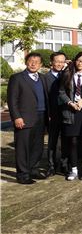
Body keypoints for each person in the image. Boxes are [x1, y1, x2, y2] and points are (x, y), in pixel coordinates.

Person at [7, 52, 49, 184]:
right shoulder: (17, 78)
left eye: (37, 62)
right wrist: (16, 117)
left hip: (41, 116)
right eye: (31, 61)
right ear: (26, 62)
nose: (33, 64)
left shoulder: (42, 78)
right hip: (24, 118)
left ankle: (33, 169)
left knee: (37, 146)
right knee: (23, 147)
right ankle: (23, 174)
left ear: (41, 65)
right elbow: (12, 100)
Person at [58, 52, 82, 181]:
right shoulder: (67, 75)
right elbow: (61, 92)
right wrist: (70, 102)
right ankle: (73, 169)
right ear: (75, 61)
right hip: (71, 112)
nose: (81, 63)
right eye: (79, 61)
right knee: (72, 142)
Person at [45, 52, 68, 177]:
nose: (59, 64)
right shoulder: (45, 78)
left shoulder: (67, 75)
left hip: (65, 112)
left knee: (65, 140)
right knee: (52, 141)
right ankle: (51, 166)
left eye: (62, 61)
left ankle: (64, 165)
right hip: (52, 114)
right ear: (51, 62)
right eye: (57, 61)